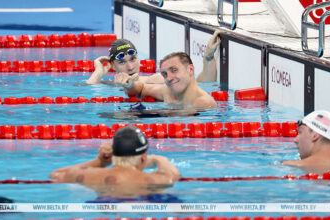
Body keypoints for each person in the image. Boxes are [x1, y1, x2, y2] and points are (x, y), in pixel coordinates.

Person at [50, 126, 181, 199]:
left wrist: (100, 161)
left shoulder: (85, 175)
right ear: (143, 157)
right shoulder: (152, 179)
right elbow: (173, 174)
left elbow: (56, 174)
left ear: (114, 154)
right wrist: (159, 159)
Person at [85, 30, 223, 85]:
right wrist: (98, 72)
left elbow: (203, 85)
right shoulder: (107, 85)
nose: (130, 67)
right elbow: (87, 92)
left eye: (133, 59)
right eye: (122, 62)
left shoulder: (156, 79)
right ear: (113, 66)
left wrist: (208, 58)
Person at [114, 51, 217, 108]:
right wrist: (129, 85)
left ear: (190, 69)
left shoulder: (204, 103)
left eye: (174, 70)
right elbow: (141, 89)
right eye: (164, 74)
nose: (169, 78)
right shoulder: (167, 92)